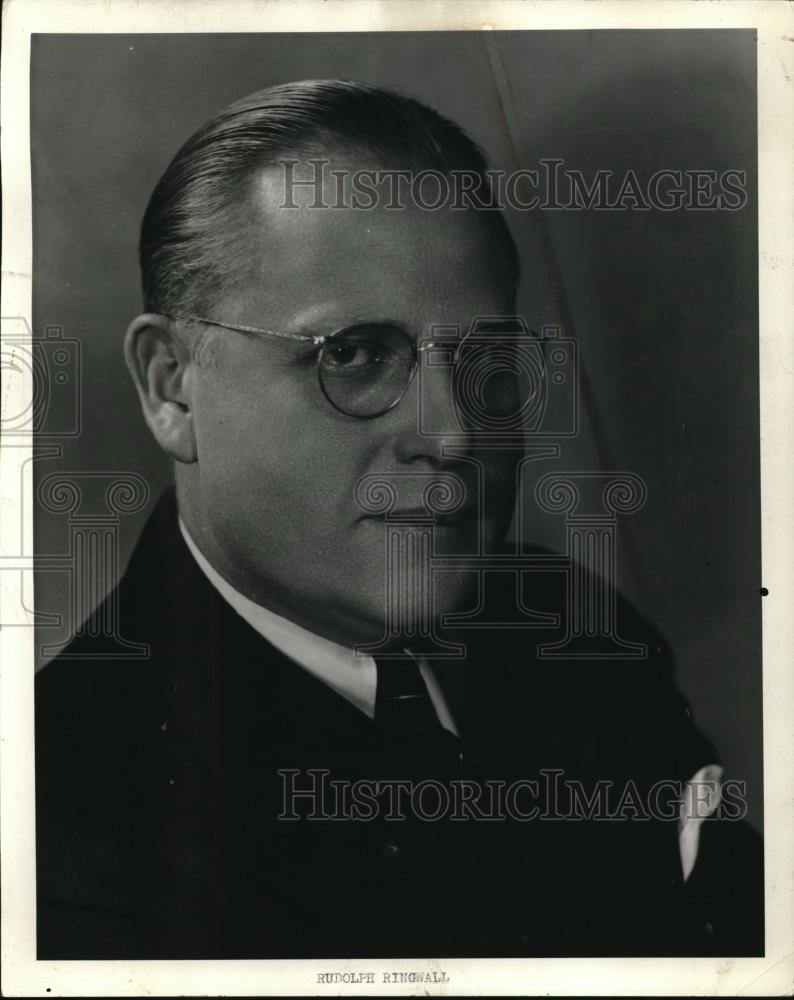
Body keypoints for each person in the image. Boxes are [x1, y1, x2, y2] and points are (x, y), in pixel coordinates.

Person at [35, 79, 762, 959]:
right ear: (171, 387)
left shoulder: (575, 626)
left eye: (485, 358)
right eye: (355, 354)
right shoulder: (58, 811)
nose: (454, 434)